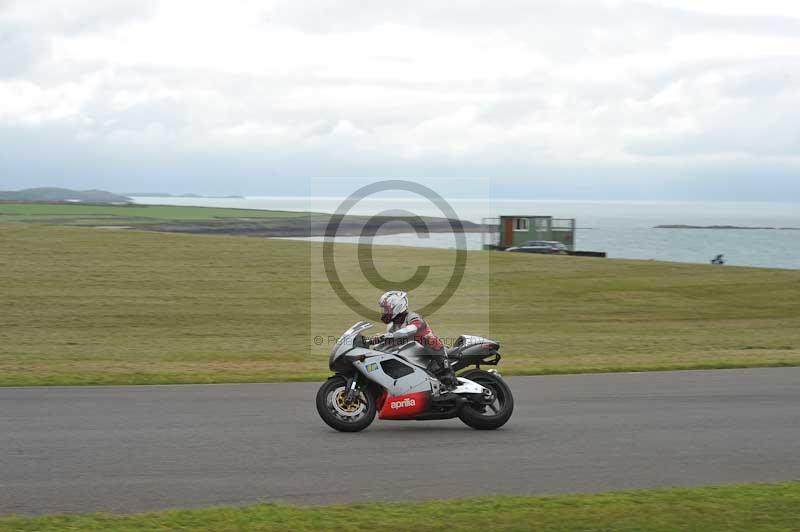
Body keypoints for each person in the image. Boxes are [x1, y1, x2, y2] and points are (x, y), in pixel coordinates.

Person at [372, 290, 458, 388]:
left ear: (397, 307)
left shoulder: (413, 317)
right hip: (413, 353)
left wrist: (390, 336)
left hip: (431, 351)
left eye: (387, 309)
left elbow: (411, 329)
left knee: (430, 341)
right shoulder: (393, 325)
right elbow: (392, 340)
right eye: (384, 309)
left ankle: (448, 373)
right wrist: (379, 341)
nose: (384, 312)